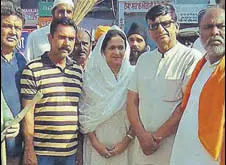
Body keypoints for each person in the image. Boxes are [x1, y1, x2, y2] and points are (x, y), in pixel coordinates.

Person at [126, 4, 202, 165]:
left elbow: (186, 104)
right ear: (149, 32)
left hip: (173, 145)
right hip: (142, 146)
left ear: (177, 26)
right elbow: (132, 101)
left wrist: (157, 137)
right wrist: (141, 135)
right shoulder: (144, 60)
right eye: (154, 26)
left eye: (165, 24)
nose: (160, 29)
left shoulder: (191, 58)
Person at [20, 17, 83, 165]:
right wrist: (29, 150)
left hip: (69, 152)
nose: (66, 43)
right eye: (62, 37)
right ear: (50, 38)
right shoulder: (33, 69)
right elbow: (27, 113)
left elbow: (79, 111)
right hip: (42, 154)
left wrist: (79, 149)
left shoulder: (77, 71)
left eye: (71, 39)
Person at [170, 7, 225, 165]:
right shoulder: (201, 66)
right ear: (200, 34)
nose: (214, 32)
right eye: (208, 27)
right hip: (188, 154)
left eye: (221, 26)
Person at [79, 25, 134, 165]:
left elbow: (139, 112)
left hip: (127, 145)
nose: (117, 52)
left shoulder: (133, 75)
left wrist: (125, 142)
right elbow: (84, 115)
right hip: (96, 147)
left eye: (121, 47)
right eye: (112, 48)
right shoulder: (90, 78)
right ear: (103, 51)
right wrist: (96, 144)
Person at [1, 2, 27, 165]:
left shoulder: (22, 62)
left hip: (15, 149)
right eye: (7, 26)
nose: (13, 32)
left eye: (17, 28)